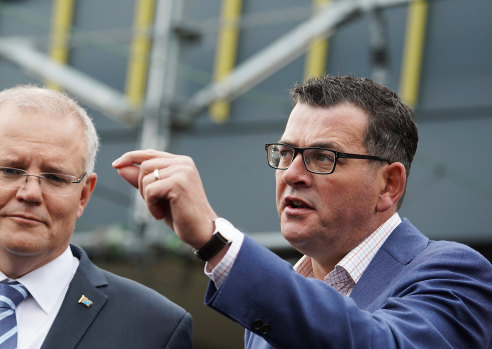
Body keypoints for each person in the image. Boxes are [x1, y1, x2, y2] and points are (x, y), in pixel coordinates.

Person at [113, 75, 492, 348]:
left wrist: (217, 243)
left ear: (389, 185)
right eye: (286, 153)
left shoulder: (452, 273)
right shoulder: (275, 304)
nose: (292, 174)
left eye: (323, 157)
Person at [0, 85, 192, 349]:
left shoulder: (153, 330)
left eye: (55, 177)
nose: (30, 193)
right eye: (10, 170)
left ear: (83, 195)